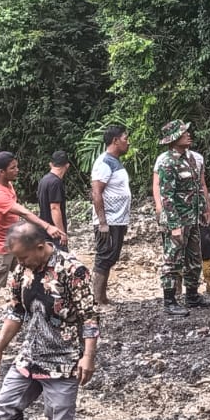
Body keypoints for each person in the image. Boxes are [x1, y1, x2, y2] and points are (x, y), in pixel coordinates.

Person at [0, 221, 100, 420]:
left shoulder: (73, 270)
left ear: (41, 247)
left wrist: (88, 356)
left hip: (63, 360)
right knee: (6, 405)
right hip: (30, 354)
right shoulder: (21, 271)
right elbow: (15, 312)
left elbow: (90, 316)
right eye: (17, 258)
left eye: (24, 257)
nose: (21, 263)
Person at [0, 152, 66, 334]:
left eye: (16, 166)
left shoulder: (8, 185)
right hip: (1, 246)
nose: (17, 170)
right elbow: (24, 213)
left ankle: (29, 314)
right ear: (1, 171)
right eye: (12, 168)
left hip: (16, 242)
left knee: (27, 277)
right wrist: (48, 227)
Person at [155, 120, 210, 316]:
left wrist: (205, 208)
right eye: (183, 133)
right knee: (172, 260)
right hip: (177, 220)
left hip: (193, 218)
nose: (188, 135)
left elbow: (198, 187)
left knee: (194, 257)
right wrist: (174, 225)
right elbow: (167, 197)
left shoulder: (190, 159)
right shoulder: (167, 162)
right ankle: (170, 300)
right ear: (173, 139)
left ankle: (192, 295)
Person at [89, 124, 132, 306]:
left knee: (111, 256)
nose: (127, 143)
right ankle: (97, 299)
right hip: (109, 220)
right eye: (125, 139)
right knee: (104, 256)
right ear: (115, 141)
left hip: (118, 219)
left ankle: (102, 297)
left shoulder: (114, 161)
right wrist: (102, 222)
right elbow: (97, 193)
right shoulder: (104, 163)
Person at [36, 152, 70, 242]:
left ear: (51, 164)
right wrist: (62, 233)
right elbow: (54, 208)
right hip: (54, 232)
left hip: (45, 228)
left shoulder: (44, 180)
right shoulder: (55, 182)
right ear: (67, 166)